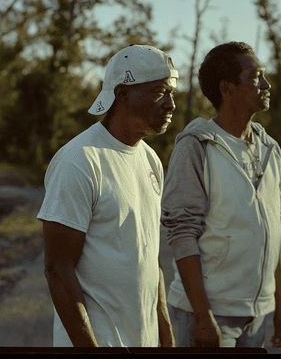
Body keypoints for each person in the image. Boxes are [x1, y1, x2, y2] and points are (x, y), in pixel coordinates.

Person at [37, 44, 178, 347]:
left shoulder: (151, 160)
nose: (170, 105)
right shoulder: (79, 161)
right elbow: (57, 269)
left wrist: (165, 335)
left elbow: (150, 258)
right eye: (158, 93)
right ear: (122, 93)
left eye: (172, 94)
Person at [161, 42, 281, 348]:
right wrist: (202, 316)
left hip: (257, 315)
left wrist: (280, 307)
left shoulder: (271, 150)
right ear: (227, 88)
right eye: (255, 76)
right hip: (209, 315)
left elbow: (274, 233)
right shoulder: (196, 147)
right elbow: (182, 235)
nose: (266, 84)